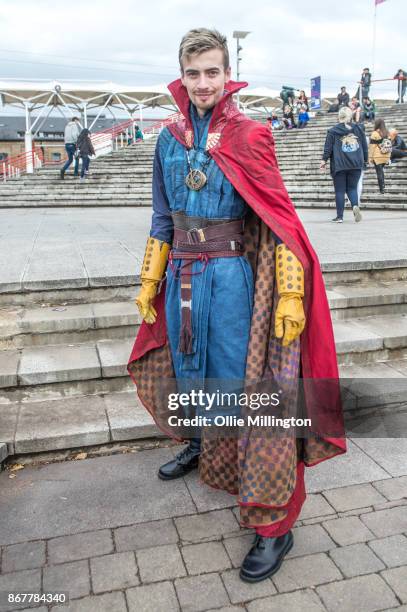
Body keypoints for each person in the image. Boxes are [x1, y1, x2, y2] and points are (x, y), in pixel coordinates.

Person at [128, 27, 345, 584]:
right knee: (189, 372)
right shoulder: (167, 139)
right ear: (182, 75)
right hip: (180, 276)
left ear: (228, 75)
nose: (203, 83)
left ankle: (274, 523)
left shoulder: (251, 134)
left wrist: (290, 293)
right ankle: (206, 447)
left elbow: (280, 223)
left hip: (230, 279)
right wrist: (150, 280)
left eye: (213, 72)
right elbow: (160, 217)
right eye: (194, 72)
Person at [320, 106, 368, 223]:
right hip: (356, 164)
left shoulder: (333, 131)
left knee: (340, 191)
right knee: (352, 188)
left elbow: (328, 148)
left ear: (339, 116)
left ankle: (340, 217)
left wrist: (323, 161)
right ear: (350, 116)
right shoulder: (358, 128)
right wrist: (365, 160)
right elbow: (364, 147)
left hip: (339, 164)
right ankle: (355, 206)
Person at [369, 118, 392, 193]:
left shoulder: (374, 133)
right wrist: (388, 157)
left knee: (379, 172)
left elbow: (372, 147)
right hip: (385, 155)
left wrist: (370, 158)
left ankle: (382, 189)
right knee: (381, 171)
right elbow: (390, 145)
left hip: (377, 156)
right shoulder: (387, 132)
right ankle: (383, 186)